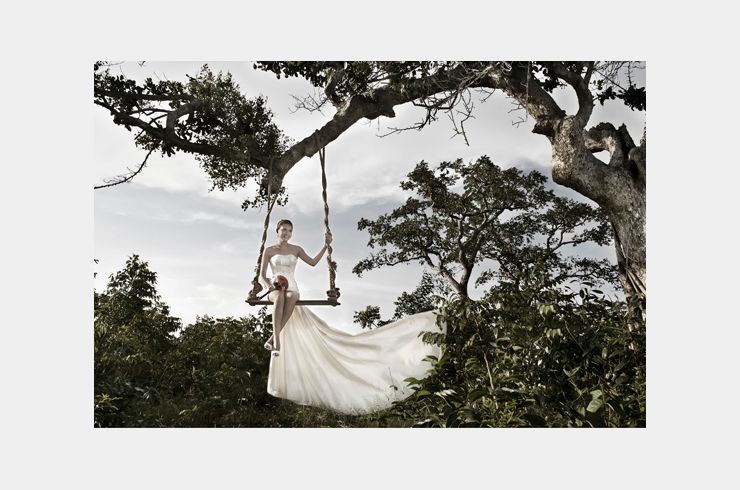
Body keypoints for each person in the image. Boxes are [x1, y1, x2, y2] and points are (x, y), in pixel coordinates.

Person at [258, 218, 445, 415]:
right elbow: (261, 275)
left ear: (291, 233)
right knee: (280, 297)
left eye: (289, 230)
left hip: (292, 287)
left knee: (291, 296)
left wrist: (326, 246)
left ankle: (273, 338)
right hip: (274, 287)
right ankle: (276, 340)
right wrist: (270, 284)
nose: (286, 233)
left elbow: (312, 262)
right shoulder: (269, 250)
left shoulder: (296, 249)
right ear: (277, 231)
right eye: (283, 230)